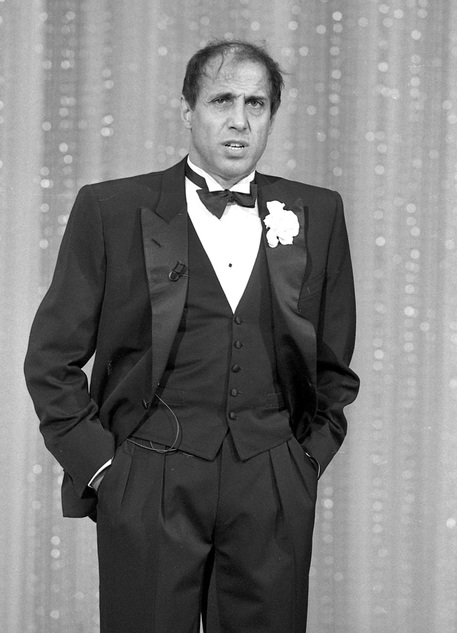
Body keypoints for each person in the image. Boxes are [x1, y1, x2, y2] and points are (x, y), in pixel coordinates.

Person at [24, 39, 360, 633]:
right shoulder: (110, 208)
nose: (239, 120)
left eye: (256, 104)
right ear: (187, 109)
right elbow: (51, 360)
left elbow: (333, 362)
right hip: (148, 476)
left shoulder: (318, 213)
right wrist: (103, 469)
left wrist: (304, 461)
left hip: (272, 478)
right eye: (221, 100)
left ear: (272, 116)